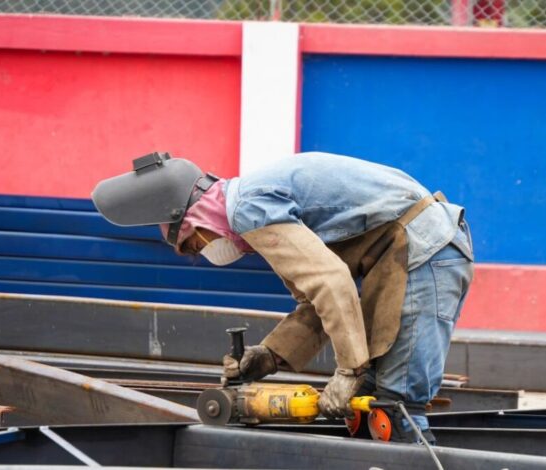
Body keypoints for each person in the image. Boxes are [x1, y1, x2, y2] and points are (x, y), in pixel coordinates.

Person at [92, 151, 474, 443]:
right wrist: (269, 356)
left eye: (193, 246)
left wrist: (348, 370)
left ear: (196, 221)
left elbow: (331, 282)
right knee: (371, 397)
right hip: (398, 257)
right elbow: (315, 300)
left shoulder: (248, 209)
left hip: (424, 250)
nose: (201, 253)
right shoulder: (258, 205)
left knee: (397, 403)